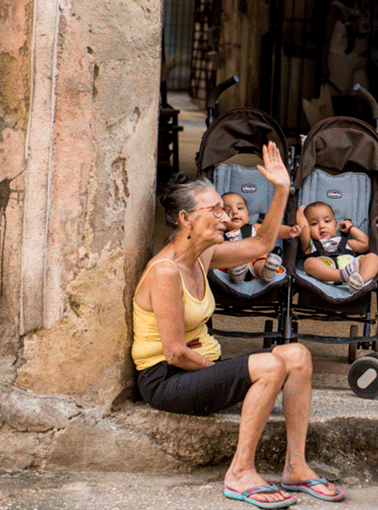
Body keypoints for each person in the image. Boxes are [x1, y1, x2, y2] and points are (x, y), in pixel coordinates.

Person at [131, 142, 344, 509]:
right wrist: (224, 373)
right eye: (214, 210)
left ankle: (296, 466)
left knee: (298, 355)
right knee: (270, 365)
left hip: (195, 369)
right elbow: (175, 352)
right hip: (167, 379)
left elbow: (262, 241)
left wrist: (282, 189)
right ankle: (240, 472)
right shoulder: (166, 272)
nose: (226, 217)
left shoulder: (204, 254)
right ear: (185, 219)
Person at [295, 201, 378, 293]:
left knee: (373, 257)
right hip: (325, 279)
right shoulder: (309, 245)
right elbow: (303, 228)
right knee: (308, 263)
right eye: (314, 224)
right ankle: (341, 275)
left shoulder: (344, 242)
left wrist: (351, 229)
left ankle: (359, 281)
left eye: (327, 221)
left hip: (353, 276)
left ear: (335, 225)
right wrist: (299, 212)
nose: (322, 226)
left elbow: (366, 244)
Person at [221, 192, 303, 283]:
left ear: (248, 216)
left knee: (261, 263)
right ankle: (237, 273)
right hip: (233, 263)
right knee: (230, 264)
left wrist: (289, 231)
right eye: (227, 210)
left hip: (255, 259)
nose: (235, 212)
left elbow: (273, 230)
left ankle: (267, 271)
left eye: (240, 208)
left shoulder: (255, 228)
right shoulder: (219, 235)